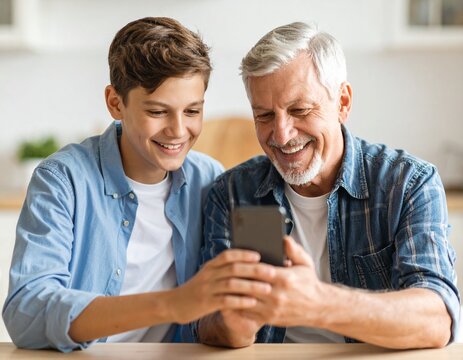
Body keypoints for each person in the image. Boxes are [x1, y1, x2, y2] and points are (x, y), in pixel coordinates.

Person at [2, 17, 273, 352]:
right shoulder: (62, 181)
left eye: (192, 111)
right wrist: (173, 303)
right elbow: (27, 311)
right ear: (116, 103)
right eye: (158, 112)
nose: (177, 130)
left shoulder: (209, 179)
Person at [195, 22, 460, 349]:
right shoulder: (236, 193)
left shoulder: (407, 184)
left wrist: (319, 302)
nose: (281, 135)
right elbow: (206, 324)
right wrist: (237, 320)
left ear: (343, 102)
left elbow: (435, 321)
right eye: (264, 116)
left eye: (299, 110)